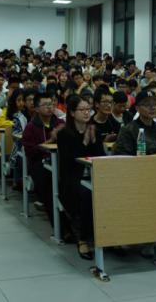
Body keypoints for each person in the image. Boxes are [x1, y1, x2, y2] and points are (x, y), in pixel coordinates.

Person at [57, 94, 106, 259]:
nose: (86, 113)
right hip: (73, 178)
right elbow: (69, 161)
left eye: (88, 109)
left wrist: (94, 140)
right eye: (82, 109)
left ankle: (110, 235)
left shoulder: (94, 130)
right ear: (72, 113)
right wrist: (84, 142)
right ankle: (82, 238)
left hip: (94, 175)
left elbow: (100, 156)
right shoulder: (64, 134)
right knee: (86, 193)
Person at [22, 92, 65, 223]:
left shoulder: (60, 123)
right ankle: (59, 226)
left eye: (51, 104)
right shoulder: (30, 127)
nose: (49, 107)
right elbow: (30, 152)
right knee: (48, 185)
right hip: (39, 164)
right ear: (36, 108)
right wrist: (49, 142)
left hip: (59, 161)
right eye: (45, 105)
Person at [114, 90, 156, 156]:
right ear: (137, 108)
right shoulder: (128, 131)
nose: (152, 108)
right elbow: (123, 158)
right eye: (147, 104)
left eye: (155, 104)